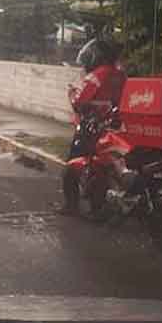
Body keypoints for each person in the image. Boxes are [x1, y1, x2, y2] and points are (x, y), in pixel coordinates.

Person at [57, 38, 126, 216]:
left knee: (71, 168)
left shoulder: (97, 75)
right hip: (114, 127)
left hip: (92, 127)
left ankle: (71, 206)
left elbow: (80, 102)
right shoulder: (120, 74)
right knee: (103, 167)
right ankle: (97, 208)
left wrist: (72, 94)